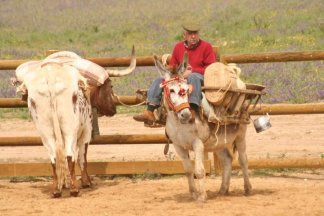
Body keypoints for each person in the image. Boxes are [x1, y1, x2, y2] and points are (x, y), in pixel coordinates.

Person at [133, 22, 217, 126]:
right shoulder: (178, 47)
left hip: (199, 77)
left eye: (195, 33)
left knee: (192, 77)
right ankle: (150, 111)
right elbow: (173, 65)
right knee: (159, 80)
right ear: (184, 35)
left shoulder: (206, 47)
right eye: (190, 34)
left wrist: (192, 71)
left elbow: (211, 68)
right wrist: (171, 72)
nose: (193, 36)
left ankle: (193, 109)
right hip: (180, 78)